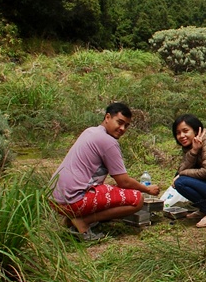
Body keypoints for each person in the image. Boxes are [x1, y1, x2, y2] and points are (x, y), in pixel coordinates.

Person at [51, 102, 160, 240]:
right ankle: (83, 222)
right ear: (107, 117)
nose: (122, 128)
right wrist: (147, 189)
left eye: (126, 125)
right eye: (119, 122)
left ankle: (72, 219)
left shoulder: (90, 131)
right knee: (137, 200)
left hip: (55, 199)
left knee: (111, 189)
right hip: (72, 201)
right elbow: (124, 182)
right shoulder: (108, 141)